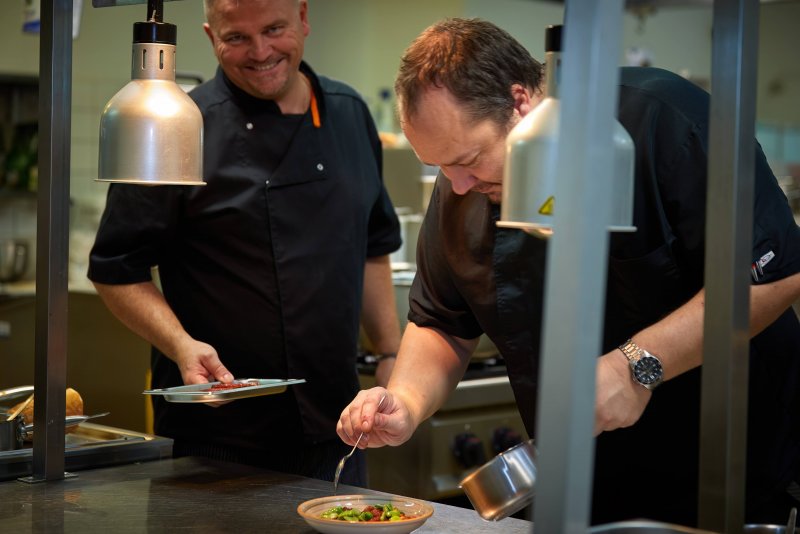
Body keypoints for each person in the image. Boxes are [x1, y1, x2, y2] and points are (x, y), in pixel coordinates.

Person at [337, 18, 800, 526]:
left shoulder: (662, 120)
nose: (458, 185)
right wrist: (405, 401)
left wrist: (637, 366)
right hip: (581, 483)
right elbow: (443, 322)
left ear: (519, 101)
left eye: (468, 160)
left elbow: (771, 276)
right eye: (440, 167)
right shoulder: (461, 186)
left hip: (729, 473)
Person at [88, 0, 402, 486]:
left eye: (274, 29)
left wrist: (389, 354)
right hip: (215, 438)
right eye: (236, 37)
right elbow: (115, 268)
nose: (260, 52)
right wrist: (181, 345)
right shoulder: (178, 124)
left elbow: (373, 244)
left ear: (303, 18)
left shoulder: (349, 113)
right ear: (211, 36)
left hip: (339, 426)